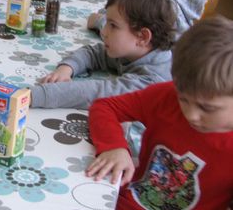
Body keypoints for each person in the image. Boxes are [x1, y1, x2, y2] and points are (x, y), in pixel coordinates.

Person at [86, 16, 233, 209]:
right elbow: (105, 107)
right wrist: (115, 146)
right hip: (122, 200)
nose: (191, 115)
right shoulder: (167, 95)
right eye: (184, 99)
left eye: (207, 108)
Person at [30, 0, 175, 109]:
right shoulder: (133, 50)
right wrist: (66, 68)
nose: (104, 31)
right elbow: (94, 53)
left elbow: (97, 93)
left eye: (113, 25)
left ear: (142, 37)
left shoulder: (153, 83)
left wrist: (34, 95)